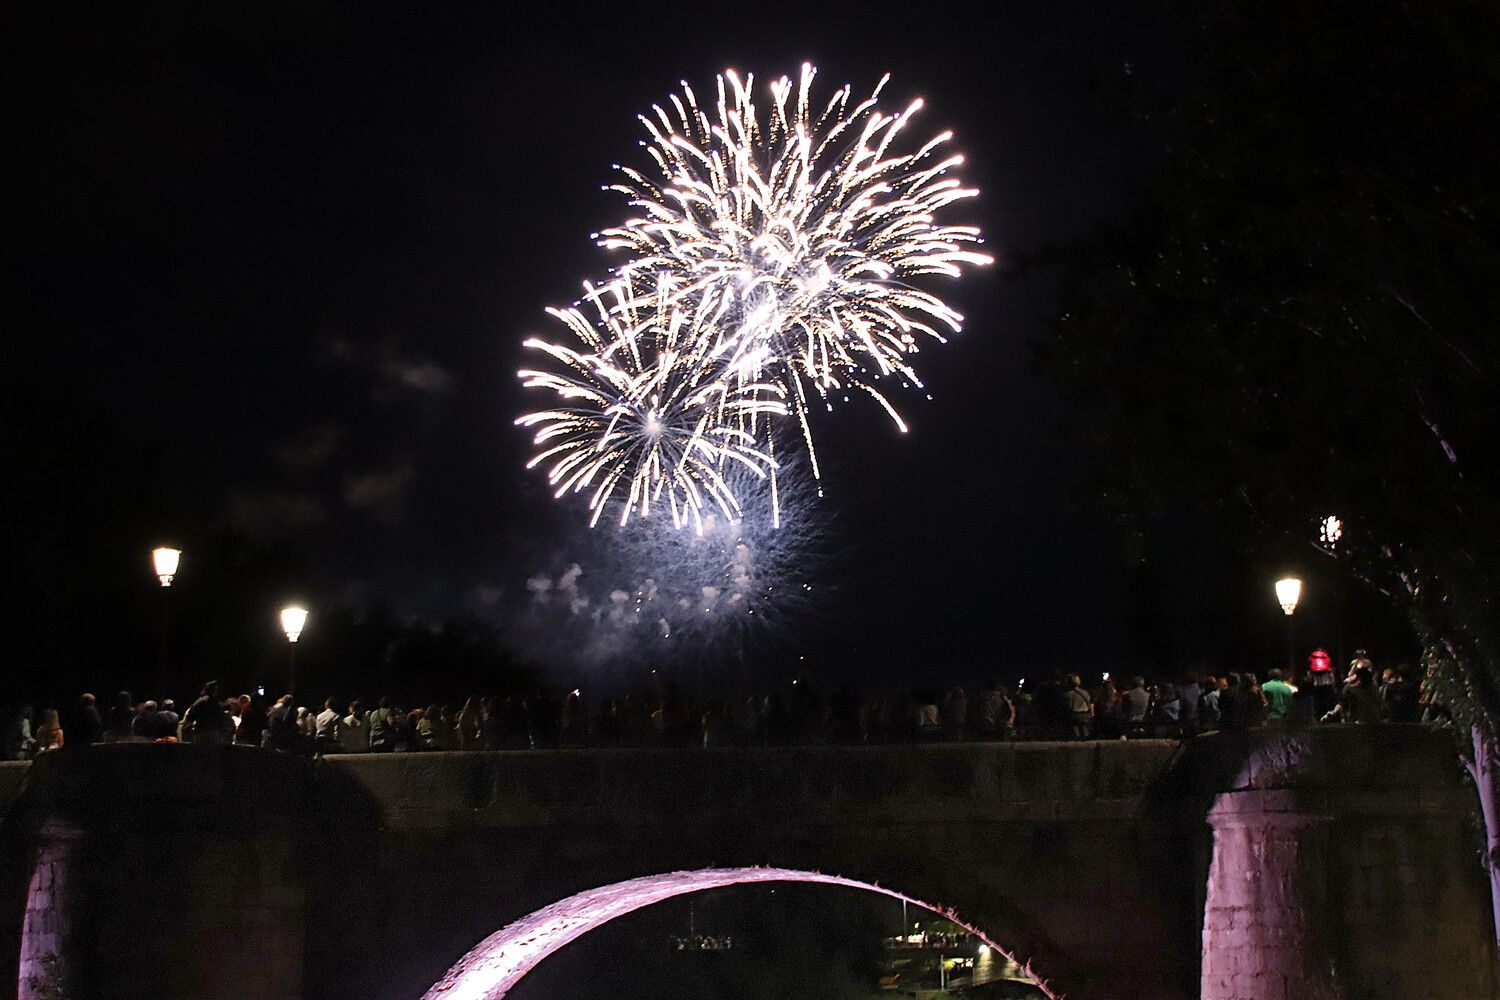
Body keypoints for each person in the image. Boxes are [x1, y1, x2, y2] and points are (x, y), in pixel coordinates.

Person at [1308, 649, 1337, 718]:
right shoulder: (1326, 658)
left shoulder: (1313, 657)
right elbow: (1332, 678)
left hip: (1316, 687)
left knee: (1318, 705)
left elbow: (1310, 677)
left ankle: (1318, 719)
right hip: (1327, 687)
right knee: (1328, 705)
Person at [1064, 675, 1093, 739]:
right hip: (1086, 715)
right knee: (1085, 734)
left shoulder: (1068, 694)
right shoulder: (1085, 692)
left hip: (1075, 716)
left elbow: (1069, 707)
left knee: (1076, 735)